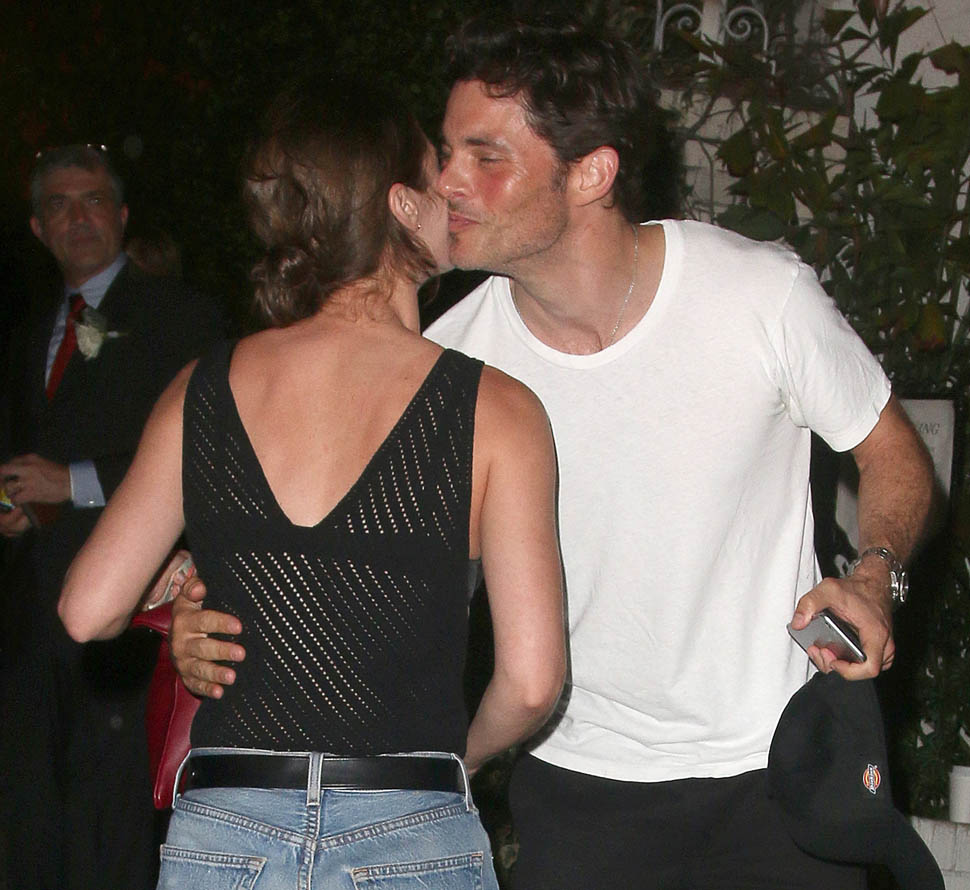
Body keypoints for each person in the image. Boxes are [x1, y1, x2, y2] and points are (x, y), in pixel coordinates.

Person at [169, 15, 935, 890]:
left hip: (778, 776)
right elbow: (325, 561)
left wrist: (875, 574)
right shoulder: (450, 369)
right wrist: (204, 623)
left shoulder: (759, 296)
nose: (445, 183)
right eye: (445, 152)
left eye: (486, 157)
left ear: (591, 173)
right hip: (577, 794)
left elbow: (894, 451)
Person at [57, 78, 565, 889]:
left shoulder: (205, 388)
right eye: (434, 169)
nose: (451, 188)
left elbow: (88, 609)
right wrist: (449, 764)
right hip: (409, 828)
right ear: (400, 205)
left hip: (227, 830)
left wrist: (180, 586)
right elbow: (533, 682)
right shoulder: (496, 411)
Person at [0, 144, 225, 890]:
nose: (78, 217)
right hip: (29, 617)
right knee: (32, 815)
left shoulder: (179, 316)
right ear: (38, 228)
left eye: (93, 199)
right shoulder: (26, 331)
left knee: (115, 823)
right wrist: (14, 507)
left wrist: (75, 483)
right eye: (59, 205)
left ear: (123, 215)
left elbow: (207, 451)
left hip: (131, 614)